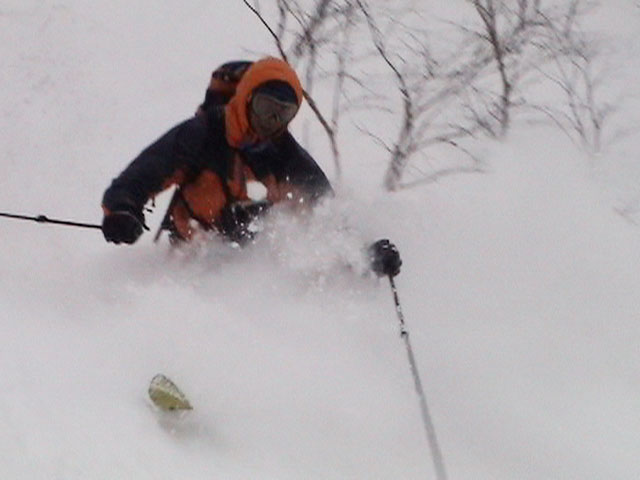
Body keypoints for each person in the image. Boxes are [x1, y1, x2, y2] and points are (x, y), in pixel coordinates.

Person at [101, 57, 401, 278]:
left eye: (283, 114)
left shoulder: (287, 158)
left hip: (247, 274)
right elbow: (142, 175)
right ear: (246, 99)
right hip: (186, 263)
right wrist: (123, 211)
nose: (271, 122)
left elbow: (327, 215)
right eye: (265, 108)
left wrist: (365, 254)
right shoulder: (202, 134)